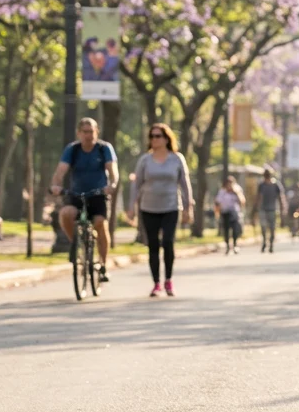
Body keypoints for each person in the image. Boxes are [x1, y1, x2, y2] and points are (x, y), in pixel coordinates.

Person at [49, 118, 118, 280]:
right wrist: (56, 186)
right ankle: (78, 243)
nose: (88, 135)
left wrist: (112, 184)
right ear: (79, 133)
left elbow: (113, 170)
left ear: (97, 132)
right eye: (85, 132)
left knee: (100, 223)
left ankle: (103, 263)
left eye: (91, 132)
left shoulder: (104, 149)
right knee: (65, 213)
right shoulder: (72, 150)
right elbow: (60, 172)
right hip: (77, 195)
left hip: (98, 195)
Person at [130, 123, 194, 298]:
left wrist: (189, 206)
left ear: (166, 138)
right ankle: (156, 283)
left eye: (158, 136)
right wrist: (131, 207)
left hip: (171, 206)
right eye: (152, 136)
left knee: (167, 242)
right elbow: (137, 185)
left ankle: (169, 280)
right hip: (148, 207)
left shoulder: (177, 158)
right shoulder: (145, 160)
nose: (154, 139)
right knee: (152, 245)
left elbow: (185, 184)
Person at [254, 169, 284, 253]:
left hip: (273, 209)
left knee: (272, 228)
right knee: (263, 227)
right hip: (263, 209)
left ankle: (271, 244)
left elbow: (281, 198)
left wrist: (282, 209)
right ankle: (264, 242)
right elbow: (258, 197)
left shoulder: (276, 185)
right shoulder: (261, 185)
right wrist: (255, 208)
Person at [214, 176, 245, 254]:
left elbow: (242, 201)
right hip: (225, 212)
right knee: (226, 230)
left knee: (235, 229)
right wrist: (217, 212)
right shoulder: (222, 191)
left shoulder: (237, 189)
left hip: (234, 212)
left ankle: (235, 245)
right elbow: (217, 202)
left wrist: (236, 193)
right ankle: (227, 246)